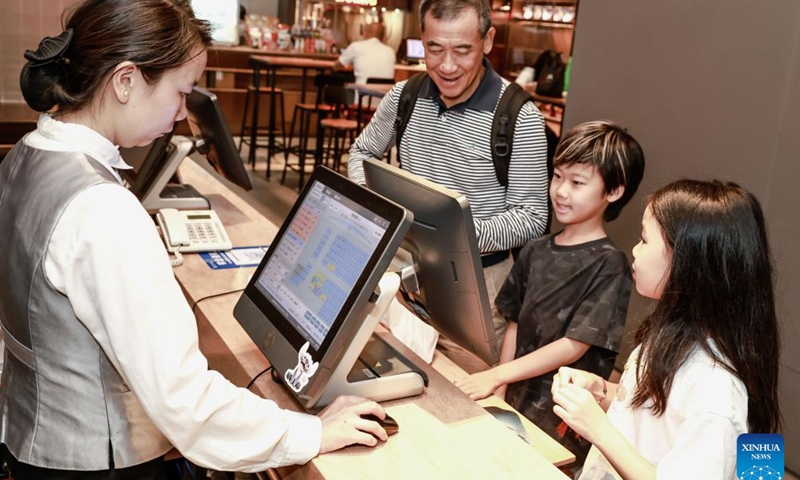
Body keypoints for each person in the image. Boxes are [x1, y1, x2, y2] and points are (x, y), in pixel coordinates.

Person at [0, 1, 392, 478]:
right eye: (181, 92)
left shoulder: (26, 154)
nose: (184, 111)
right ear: (125, 81)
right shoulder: (101, 210)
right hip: (96, 462)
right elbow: (183, 399)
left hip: (35, 440)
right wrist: (310, 432)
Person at [348, 0, 550, 370]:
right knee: (390, 376)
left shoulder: (519, 116)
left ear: (488, 41)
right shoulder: (403, 97)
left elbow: (533, 216)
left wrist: (457, 236)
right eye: (435, 49)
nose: (447, 66)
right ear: (421, 39)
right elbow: (362, 152)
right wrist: (381, 207)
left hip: (477, 286)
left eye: (462, 50)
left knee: (470, 405)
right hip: (402, 273)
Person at [551, 180, 781, 480]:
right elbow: (655, 414)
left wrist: (597, 428)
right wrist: (600, 391)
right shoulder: (674, 333)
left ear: (685, 260)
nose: (634, 249)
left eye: (644, 240)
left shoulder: (716, 394)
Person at [455, 120, 646, 467]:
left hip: (562, 416)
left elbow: (575, 344)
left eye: (577, 182)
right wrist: (501, 383)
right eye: (557, 176)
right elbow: (514, 322)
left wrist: (498, 375)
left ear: (614, 191)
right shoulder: (535, 249)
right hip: (516, 397)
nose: (560, 191)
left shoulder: (610, 264)